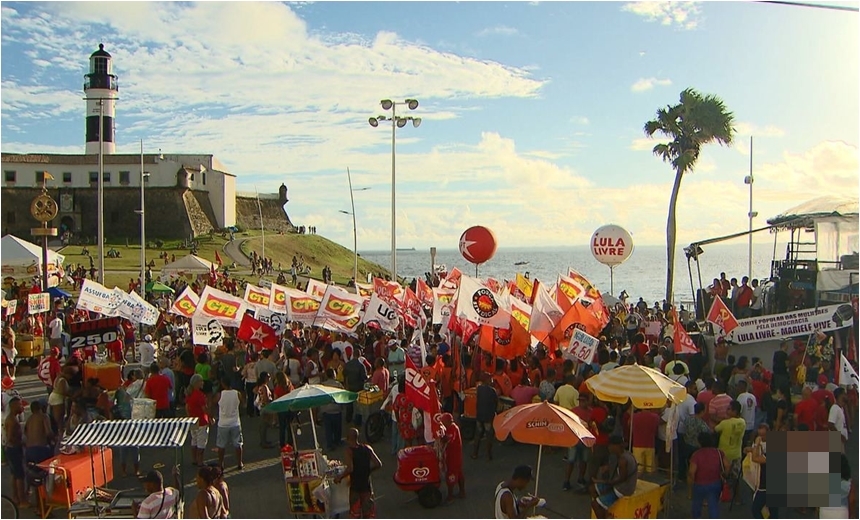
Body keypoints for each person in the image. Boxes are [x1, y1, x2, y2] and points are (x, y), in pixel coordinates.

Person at [335, 428, 382, 519]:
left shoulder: (349, 451)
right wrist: (367, 470)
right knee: (368, 513)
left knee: (355, 513)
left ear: (348, 438)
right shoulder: (367, 448)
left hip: (355, 487)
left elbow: (350, 469)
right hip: (366, 486)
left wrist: (339, 477)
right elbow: (378, 464)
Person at [591, 435, 638, 519]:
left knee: (595, 504)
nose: (609, 447)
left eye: (610, 445)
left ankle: (601, 509)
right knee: (592, 488)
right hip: (621, 484)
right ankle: (604, 506)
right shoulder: (624, 454)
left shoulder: (623, 460)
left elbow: (621, 479)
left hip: (623, 489)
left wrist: (602, 482)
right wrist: (608, 468)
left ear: (616, 446)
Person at [687, 432, 729, 519]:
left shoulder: (696, 454)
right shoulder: (719, 452)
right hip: (715, 482)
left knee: (696, 506)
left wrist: (691, 485)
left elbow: (691, 472)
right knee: (713, 506)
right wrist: (725, 474)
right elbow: (727, 465)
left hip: (699, 484)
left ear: (699, 442)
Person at [216, 378, 245, 470]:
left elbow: (212, 403)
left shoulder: (220, 395)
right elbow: (243, 403)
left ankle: (221, 464)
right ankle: (239, 462)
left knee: (221, 445)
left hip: (223, 424)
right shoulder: (237, 393)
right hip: (235, 422)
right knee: (238, 444)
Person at [4, 396, 26, 508]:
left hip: (11, 449)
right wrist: (22, 443)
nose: (22, 407)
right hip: (13, 449)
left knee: (14, 474)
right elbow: (10, 437)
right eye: (20, 405)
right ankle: (22, 500)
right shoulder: (12, 420)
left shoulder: (12, 418)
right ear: (13, 406)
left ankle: (15, 497)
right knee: (19, 475)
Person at [749, 423, 774, 519]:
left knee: (755, 509)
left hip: (766, 485)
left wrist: (756, 444)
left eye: (764, 435)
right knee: (773, 512)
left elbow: (755, 458)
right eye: (760, 435)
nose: (762, 437)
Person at [186, 374, 210, 467]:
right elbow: (204, 408)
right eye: (201, 381)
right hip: (202, 421)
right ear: (196, 383)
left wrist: (189, 416)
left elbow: (187, 407)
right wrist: (210, 416)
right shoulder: (200, 395)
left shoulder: (189, 394)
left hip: (193, 420)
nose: (202, 383)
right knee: (201, 441)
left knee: (194, 440)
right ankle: (200, 461)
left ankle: (194, 459)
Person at [440, 413, 465, 503]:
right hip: (455, 455)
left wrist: (440, 436)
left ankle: (450, 496)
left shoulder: (452, 429)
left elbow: (446, 439)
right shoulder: (452, 427)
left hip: (453, 457)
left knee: (451, 475)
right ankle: (462, 492)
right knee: (459, 473)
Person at [473, 372, 498, 461]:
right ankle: (489, 455)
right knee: (489, 435)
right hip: (488, 415)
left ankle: (475, 453)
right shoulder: (492, 391)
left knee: (478, 434)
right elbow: (496, 403)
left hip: (480, 414)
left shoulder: (479, 389)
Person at [630, 407, 660, 474]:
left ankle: (638, 483)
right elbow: (657, 429)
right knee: (650, 469)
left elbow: (629, 425)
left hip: (637, 444)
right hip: (650, 444)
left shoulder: (634, 416)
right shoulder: (655, 417)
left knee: (638, 469)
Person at [321, 368, 344, 451]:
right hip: (336, 409)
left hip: (326, 410)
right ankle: (337, 441)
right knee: (337, 427)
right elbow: (342, 395)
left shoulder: (322, 385)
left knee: (328, 429)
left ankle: (329, 444)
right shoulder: (338, 384)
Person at [24, 401, 54, 465]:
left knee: (32, 471)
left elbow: (25, 432)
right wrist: (54, 439)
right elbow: (48, 432)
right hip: (41, 448)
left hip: (29, 449)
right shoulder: (44, 416)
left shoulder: (29, 419)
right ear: (41, 408)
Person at [829, 387, 848, 452]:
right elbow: (830, 425)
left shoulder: (840, 407)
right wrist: (840, 436)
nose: (846, 395)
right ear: (840, 395)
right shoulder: (834, 408)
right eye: (844, 394)